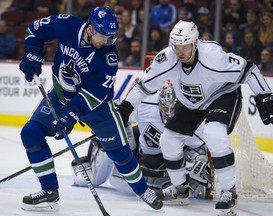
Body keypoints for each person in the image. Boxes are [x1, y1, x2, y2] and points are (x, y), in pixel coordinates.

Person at [118, 20, 273, 216]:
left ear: (195, 43)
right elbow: (143, 86)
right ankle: (180, 189)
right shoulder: (167, 59)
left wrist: (266, 97)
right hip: (191, 102)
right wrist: (126, 107)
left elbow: (249, 69)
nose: (180, 51)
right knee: (168, 140)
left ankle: (229, 192)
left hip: (222, 95)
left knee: (214, 134)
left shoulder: (214, 57)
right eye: (176, 46)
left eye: (185, 46)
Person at [18, 6, 162, 212]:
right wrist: (32, 54)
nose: (107, 42)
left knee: (120, 153)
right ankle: (50, 191)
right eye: (103, 36)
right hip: (60, 97)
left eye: (112, 37)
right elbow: (34, 30)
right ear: (90, 28)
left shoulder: (109, 56)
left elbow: (93, 95)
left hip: (98, 107)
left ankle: (143, 191)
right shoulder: (66, 24)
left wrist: (69, 117)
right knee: (31, 134)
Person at [71, 84, 211, 205]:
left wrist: (198, 162)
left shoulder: (192, 119)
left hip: (167, 163)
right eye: (165, 108)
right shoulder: (146, 102)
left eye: (172, 110)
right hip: (144, 152)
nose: (168, 113)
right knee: (114, 139)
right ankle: (94, 166)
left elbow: (201, 150)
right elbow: (121, 119)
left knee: (170, 184)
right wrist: (106, 127)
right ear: (159, 102)